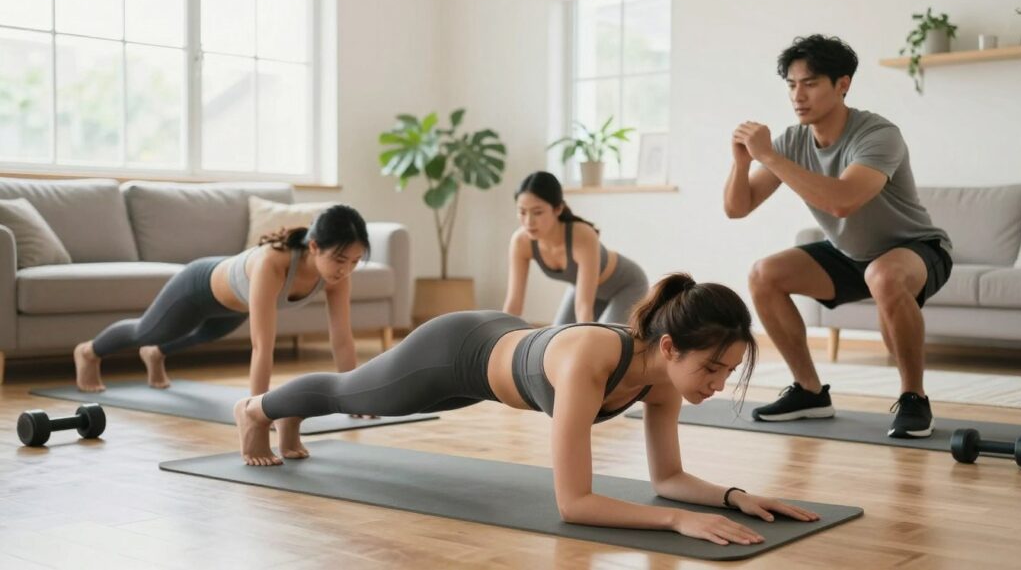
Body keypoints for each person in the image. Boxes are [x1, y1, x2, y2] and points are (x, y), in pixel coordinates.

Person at [233, 273, 820, 545]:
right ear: (670, 346)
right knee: (353, 395)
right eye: (711, 369)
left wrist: (732, 497)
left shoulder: (664, 379)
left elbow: (666, 478)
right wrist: (675, 521)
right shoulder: (593, 360)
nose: (715, 385)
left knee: (349, 392)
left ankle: (289, 413)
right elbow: (574, 504)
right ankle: (258, 410)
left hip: (499, 350)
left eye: (726, 373)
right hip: (453, 353)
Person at [723, 35, 952, 438]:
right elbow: (737, 208)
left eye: (810, 83)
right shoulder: (794, 140)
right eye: (792, 85)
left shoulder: (878, 134)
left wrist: (771, 157)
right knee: (764, 274)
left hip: (915, 248)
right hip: (848, 253)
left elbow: (844, 202)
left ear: (842, 84)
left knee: (882, 275)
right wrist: (742, 163)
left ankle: (914, 397)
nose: (798, 95)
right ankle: (810, 392)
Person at [74, 204, 369, 404]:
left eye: (355, 261)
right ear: (314, 247)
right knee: (146, 331)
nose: (345, 269)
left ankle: (155, 355)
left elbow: (341, 338)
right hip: (197, 289)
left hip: (232, 306)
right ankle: (89, 352)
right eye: (340, 260)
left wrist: (353, 395)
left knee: (205, 335)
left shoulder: (337, 277)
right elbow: (262, 347)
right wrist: (257, 412)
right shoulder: (272, 263)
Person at [503, 171, 648, 325]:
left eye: (537, 212)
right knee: (557, 338)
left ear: (558, 209)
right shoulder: (521, 242)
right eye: (522, 212)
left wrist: (584, 341)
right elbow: (514, 303)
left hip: (626, 286)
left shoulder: (583, 235)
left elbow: (583, 308)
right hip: (584, 288)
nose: (528, 221)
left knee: (610, 342)